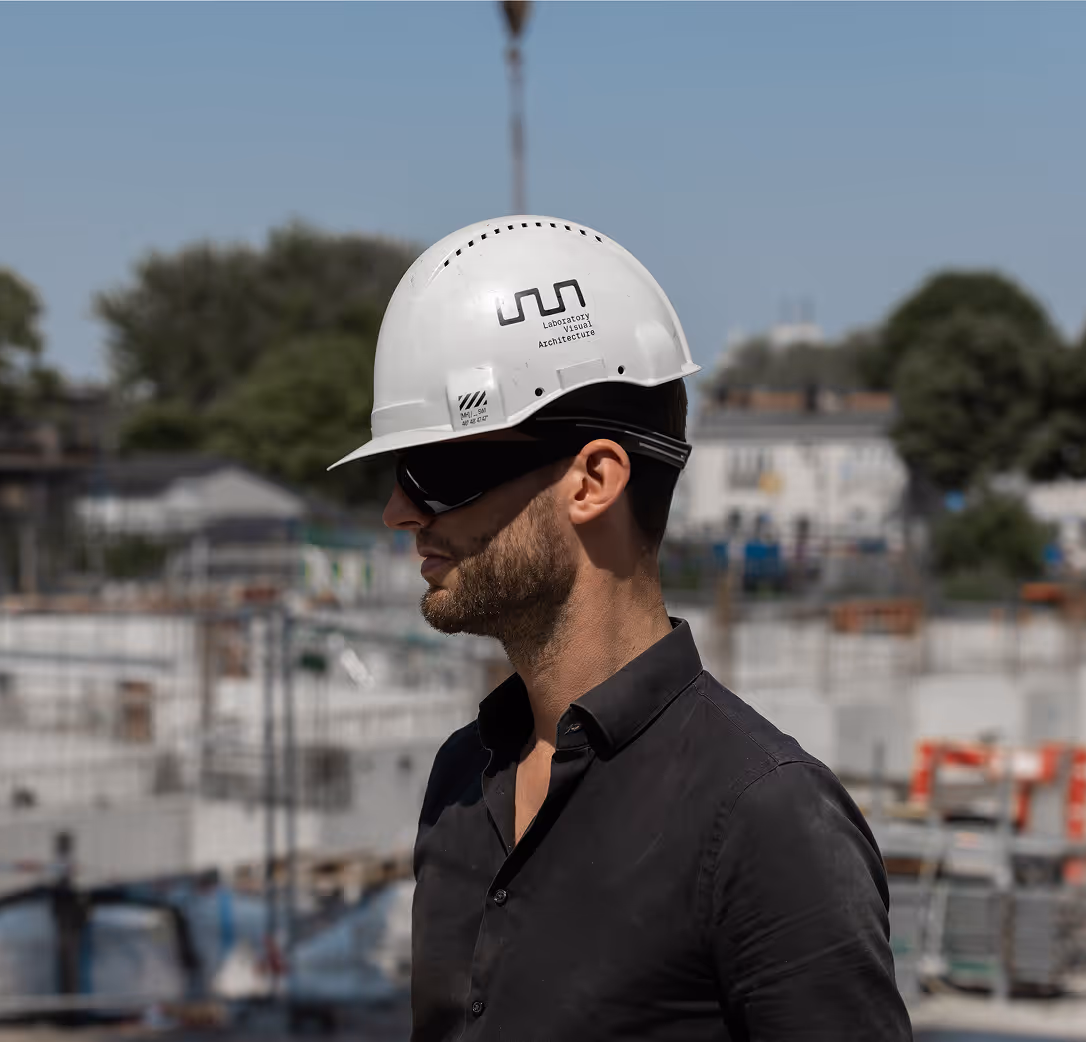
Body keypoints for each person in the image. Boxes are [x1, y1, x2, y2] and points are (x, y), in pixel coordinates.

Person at [330, 216, 911, 1041]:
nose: (400, 513)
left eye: (441, 470)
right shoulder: (462, 777)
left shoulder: (764, 819)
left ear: (594, 479)